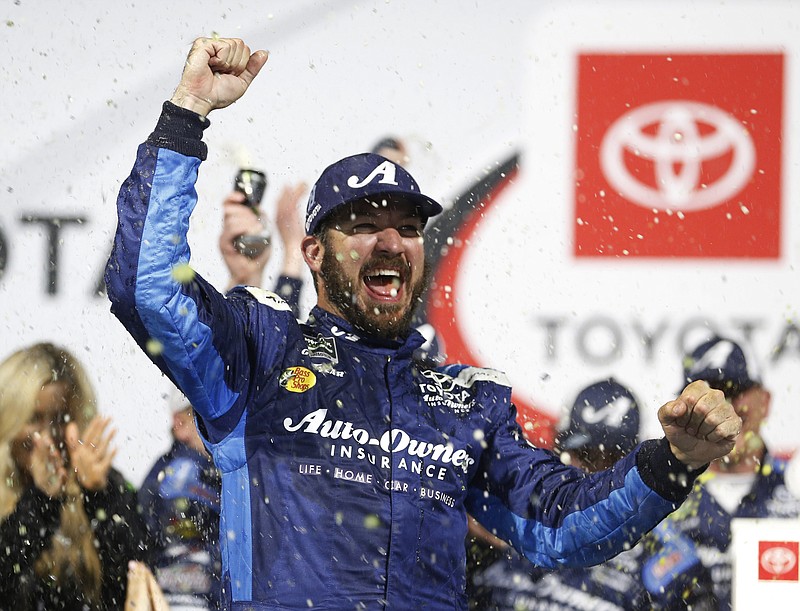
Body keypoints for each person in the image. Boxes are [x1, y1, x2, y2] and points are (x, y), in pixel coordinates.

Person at [104, 37, 741, 610]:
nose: (390, 242)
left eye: (408, 228)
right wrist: (187, 113)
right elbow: (146, 286)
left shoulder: (465, 404)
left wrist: (672, 464)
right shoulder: (261, 354)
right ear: (315, 253)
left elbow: (560, 527)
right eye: (363, 224)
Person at [137, 181, 308, 610]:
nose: (221, 415)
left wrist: (272, 262)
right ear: (180, 423)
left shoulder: (272, 448)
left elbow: (272, 370)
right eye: (204, 411)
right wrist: (254, 271)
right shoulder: (180, 477)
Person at [467, 378, 715, 610]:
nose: (595, 470)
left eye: (612, 458)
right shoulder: (510, 514)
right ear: (559, 448)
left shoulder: (666, 557)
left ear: (632, 466)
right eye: (585, 454)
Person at [0, 342, 150, 610]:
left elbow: (134, 583)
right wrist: (40, 500)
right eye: (34, 419)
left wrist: (99, 495)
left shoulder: (102, 484)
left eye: (59, 418)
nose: (48, 437)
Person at [669, 335, 800, 611]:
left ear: (765, 401)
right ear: (680, 411)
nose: (723, 407)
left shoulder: (796, 487)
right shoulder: (657, 495)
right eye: (707, 395)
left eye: (734, 388)